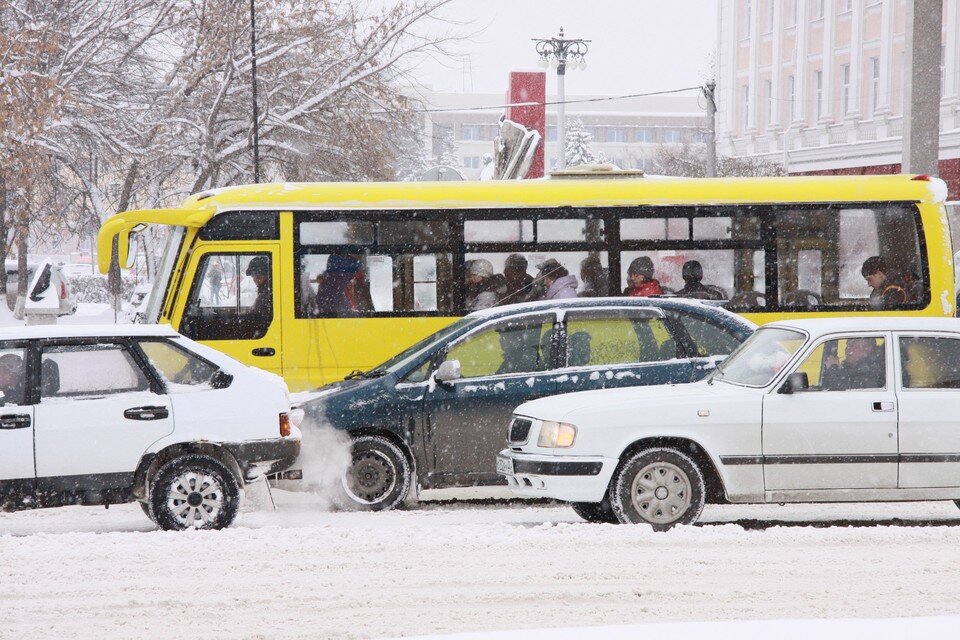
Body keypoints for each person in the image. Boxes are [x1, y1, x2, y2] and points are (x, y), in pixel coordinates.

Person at [821, 338, 885, 391]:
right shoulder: (853, 367)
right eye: (847, 346)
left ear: (867, 349)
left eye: (853, 346)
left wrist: (833, 368)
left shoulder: (871, 369)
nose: (847, 349)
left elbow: (850, 389)